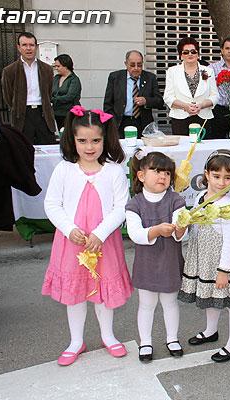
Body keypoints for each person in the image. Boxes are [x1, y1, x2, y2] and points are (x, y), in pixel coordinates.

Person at [42, 106, 133, 365]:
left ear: (106, 139)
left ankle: (108, 335)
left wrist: (101, 233)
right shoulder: (64, 169)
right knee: (76, 292)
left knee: (102, 290)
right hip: (73, 243)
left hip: (103, 242)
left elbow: (120, 206)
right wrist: (69, 229)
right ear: (72, 140)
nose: (89, 147)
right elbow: (52, 204)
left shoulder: (114, 170)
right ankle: (76, 341)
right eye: (82, 140)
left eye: (96, 140)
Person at [178, 150, 230, 363]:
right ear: (206, 175)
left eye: (228, 177)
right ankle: (210, 331)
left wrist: (223, 270)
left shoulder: (228, 207)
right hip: (203, 257)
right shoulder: (200, 197)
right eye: (216, 176)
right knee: (211, 296)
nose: (221, 182)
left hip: (220, 261)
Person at [126, 150, 187, 363]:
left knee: (170, 302)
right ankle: (146, 342)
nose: (163, 176)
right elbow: (135, 234)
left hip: (170, 261)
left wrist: (180, 229)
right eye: (157, 171)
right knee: (146, 303)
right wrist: (157, 230)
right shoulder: (135, 204)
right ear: (141, 176)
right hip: (147, 263)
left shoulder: (176, 200)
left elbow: (182, 233)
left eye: (167, 173)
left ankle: (172, 339)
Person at [1, 32, 56, 144]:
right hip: (22, 114)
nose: (28, 48)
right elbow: (8, 96)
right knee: (23, 148)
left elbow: (49, 92)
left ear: (36, 47)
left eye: (31, 45)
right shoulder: (9, 71)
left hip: (43, 113)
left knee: (48, 145)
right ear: (18, 47)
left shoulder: (47, 69)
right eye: (24, 45)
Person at [164, 37, 218, 137]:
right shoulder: (172, 71)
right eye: (186, 52)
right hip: (180, 118)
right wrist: (185, 106)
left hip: (203, 117)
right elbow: (168, 97)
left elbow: (215, 96)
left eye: (193, 51)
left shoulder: (208, 71)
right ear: (181, 55)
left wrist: (201, 105)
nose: (190, 54)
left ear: (198, 54)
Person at [103, 50, 163, 137]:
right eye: (132, 65)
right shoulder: (115, 77)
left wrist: (146, 101)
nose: (136, 68)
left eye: (139, 65)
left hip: (142, 123)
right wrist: (111, 123)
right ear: (126, 64)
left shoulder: (150, 78)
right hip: (121, 122)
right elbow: (108, 104)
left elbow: (159, 101)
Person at [51, 54, 81, 129]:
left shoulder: (74, 80)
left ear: (66, 66)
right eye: (56, 66)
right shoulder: (56, 78)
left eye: (58, 66)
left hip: (69, 113)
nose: (56, 68)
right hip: (57, 112)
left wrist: (53, 99)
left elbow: (69, 97)